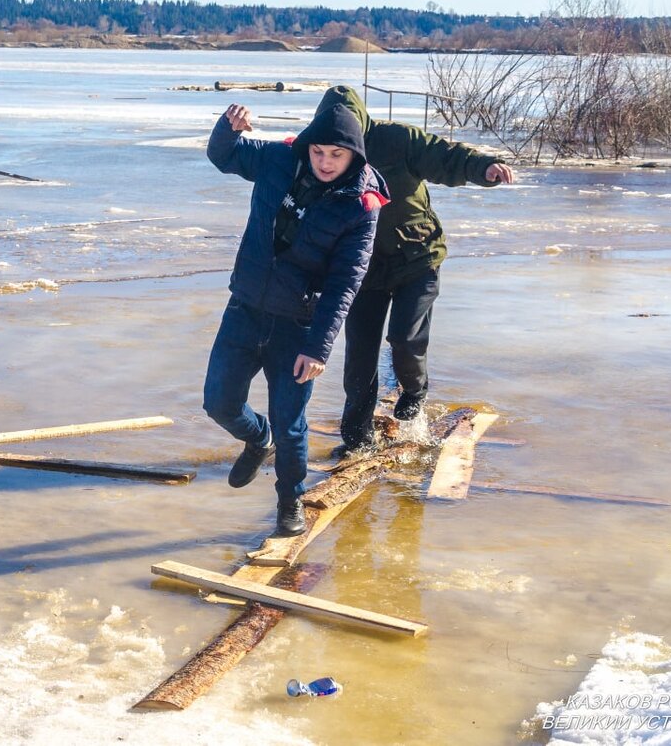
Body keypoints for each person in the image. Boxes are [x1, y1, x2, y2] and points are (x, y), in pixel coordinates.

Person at [203, 96, 389, 536]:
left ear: (354, 155)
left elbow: (347, 281)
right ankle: (255, 437)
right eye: (319, 151)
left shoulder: (362, 206)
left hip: (298, 325)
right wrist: (229, 127)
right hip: (245, 308)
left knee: (290, 425)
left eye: (337, 155)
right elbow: (223, 156)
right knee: (219, 403)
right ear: (307, 146)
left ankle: (291, 501)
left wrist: (318, 347)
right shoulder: (278, 159)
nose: (326, 162)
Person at [313, 86, 515, 451]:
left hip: (417, 258)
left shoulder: (396, 139)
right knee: (359, 356)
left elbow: (444, 155)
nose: (333, 148)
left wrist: (484, 166)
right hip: (363, 270)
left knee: (405, 339)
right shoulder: (323, 158)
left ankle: (415, 390)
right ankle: (356, 438)